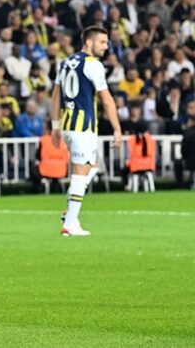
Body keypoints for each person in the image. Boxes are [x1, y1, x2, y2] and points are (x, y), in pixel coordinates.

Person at [51, 26, 122, 237]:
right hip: (83, 126)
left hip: (67, 124)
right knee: (80, 175)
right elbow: (106, 99)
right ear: (89, 42)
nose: (106, 47)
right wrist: (117, 128)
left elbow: (56, 95)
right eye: (102, 42)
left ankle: (70, 211)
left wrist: (55, 126)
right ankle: (70, 224)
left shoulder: (65, 62)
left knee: (92, 167)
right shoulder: (93, 65)